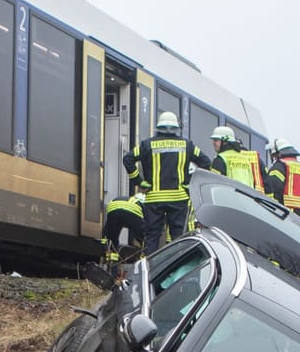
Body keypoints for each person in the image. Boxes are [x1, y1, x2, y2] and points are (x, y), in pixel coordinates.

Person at [122, 110, 208, 253]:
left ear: (159, 127)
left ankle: (150, 270)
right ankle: (177, 269)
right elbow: (206, 162)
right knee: (178, 238)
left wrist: (139, 181)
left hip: (154, 199)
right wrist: (189, 183)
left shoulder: (147, 145)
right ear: (176, 127)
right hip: (179, 198)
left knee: (152, 237)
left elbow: (128, 159)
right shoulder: (187, 145)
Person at [263, 139, 300, 219]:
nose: (274, 158)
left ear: (279, 154)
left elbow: (272, 187)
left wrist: (270, 209)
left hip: (284, 213)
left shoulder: (280, 166)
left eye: (274, 156)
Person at [210, 126, 264, 190]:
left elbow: (215, 185)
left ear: (225, 141)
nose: (213, 143)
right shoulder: (245, 159)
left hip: (229, 198)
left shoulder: (220, 159)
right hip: (247, 199)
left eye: (216, 140)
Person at [101, 188, 145, 268]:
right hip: (132, 209)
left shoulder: (133, 198)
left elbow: (106, 228)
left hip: (112, 207)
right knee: (144, 240)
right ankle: (143, 262)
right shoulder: (145, 201)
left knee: (112, 241)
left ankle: (111, 267)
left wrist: (105, 240)